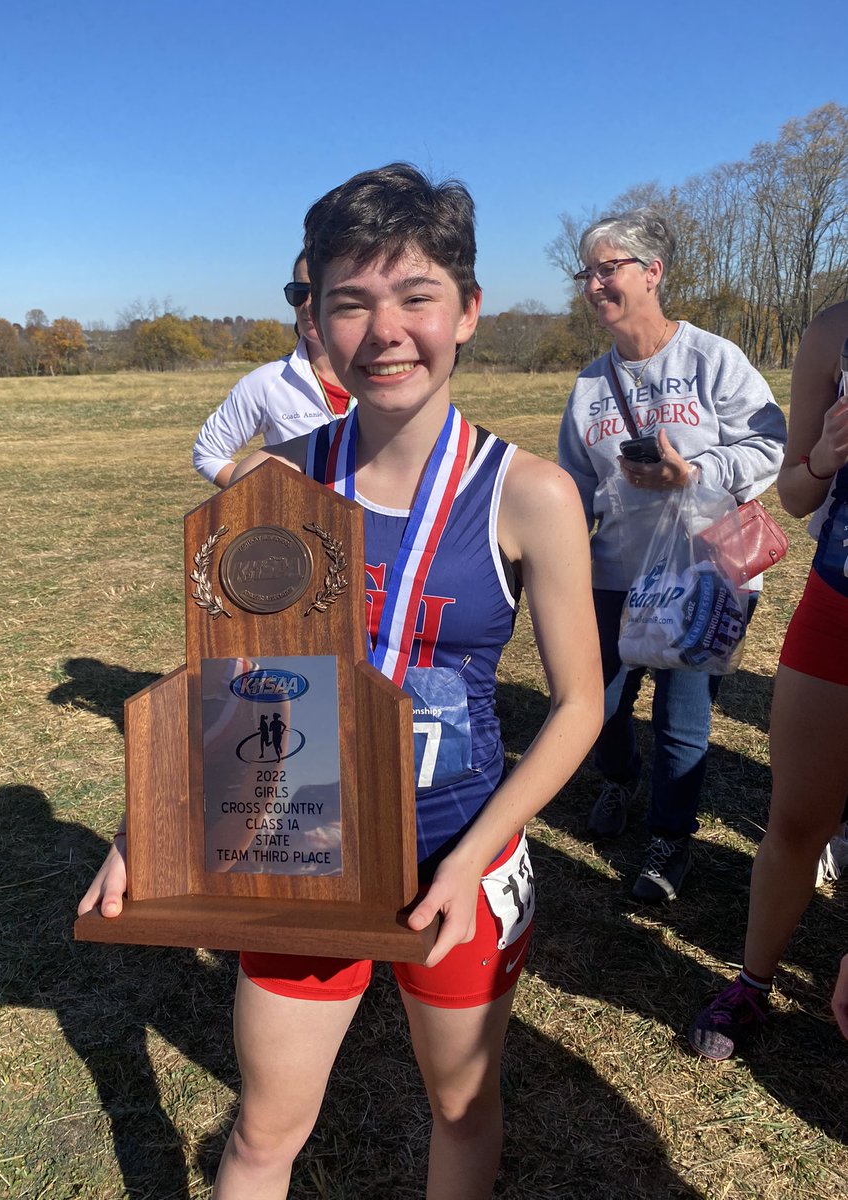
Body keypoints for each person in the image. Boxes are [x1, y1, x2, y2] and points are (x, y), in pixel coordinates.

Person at [80, 163, 603, 1199]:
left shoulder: (531, 493)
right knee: (265, 1131)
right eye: (351, 302)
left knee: (459, 1109)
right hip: (297, 851)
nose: (386, 331)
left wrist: (474, 859)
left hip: (457, 849)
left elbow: (581, 705)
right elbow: (226, 675)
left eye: (415, 296)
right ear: (314, 316)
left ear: (468, 310)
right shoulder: (279, 481)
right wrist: (151, 826)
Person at [557, 207, 786, 904]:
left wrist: (694, 472)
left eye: (608, 269)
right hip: (616, 573)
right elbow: (571, 482)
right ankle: (620, 782)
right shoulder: (590, 385)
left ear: (652, 273)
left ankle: (670, 839)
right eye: (586, 272)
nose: (594, 285)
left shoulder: (713, 359)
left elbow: (769, 445)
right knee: (599, 707)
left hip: (702, 574)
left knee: (683, 716)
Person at [690, 300, 848, 1059]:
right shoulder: (834, 330)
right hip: (839, 600)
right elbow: (794, 492)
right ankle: (753, 984)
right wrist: (825, 456)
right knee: (794, 819)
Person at [192, 252, 353, 487]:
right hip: (301, 525)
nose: (307, 303)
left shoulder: (388, 375)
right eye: (299, 292)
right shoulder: (266, 382)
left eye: (318, 290)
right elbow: (208, 453)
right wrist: (268, 501)